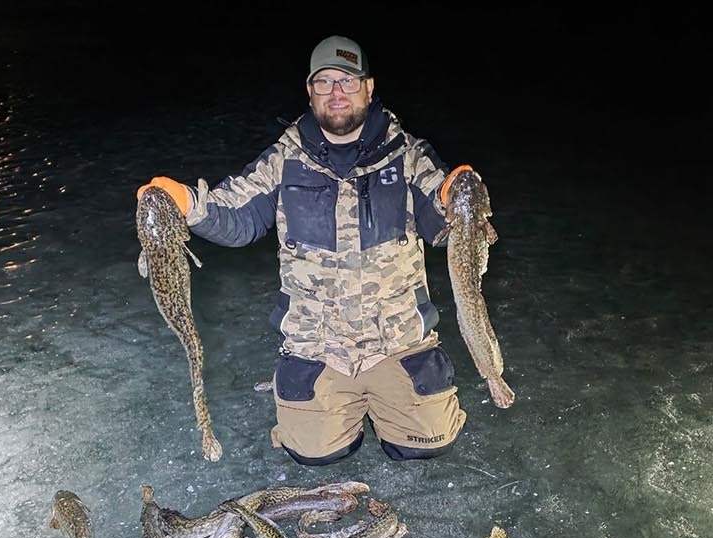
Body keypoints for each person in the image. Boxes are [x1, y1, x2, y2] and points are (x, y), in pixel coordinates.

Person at [137, 35, 484, 466]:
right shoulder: (285, 159)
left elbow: (441, 218)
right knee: (314, 454)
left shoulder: (408, 156)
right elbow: (236, 214)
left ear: (369, 88)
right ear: (310, 90)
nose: (336, 93)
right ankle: (332, 412)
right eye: (324, 82)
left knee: (428, 443)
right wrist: (188, 202)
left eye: (348, 80)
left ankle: (390, 405)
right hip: (317, 346)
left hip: (397, 342)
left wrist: (454, 197)